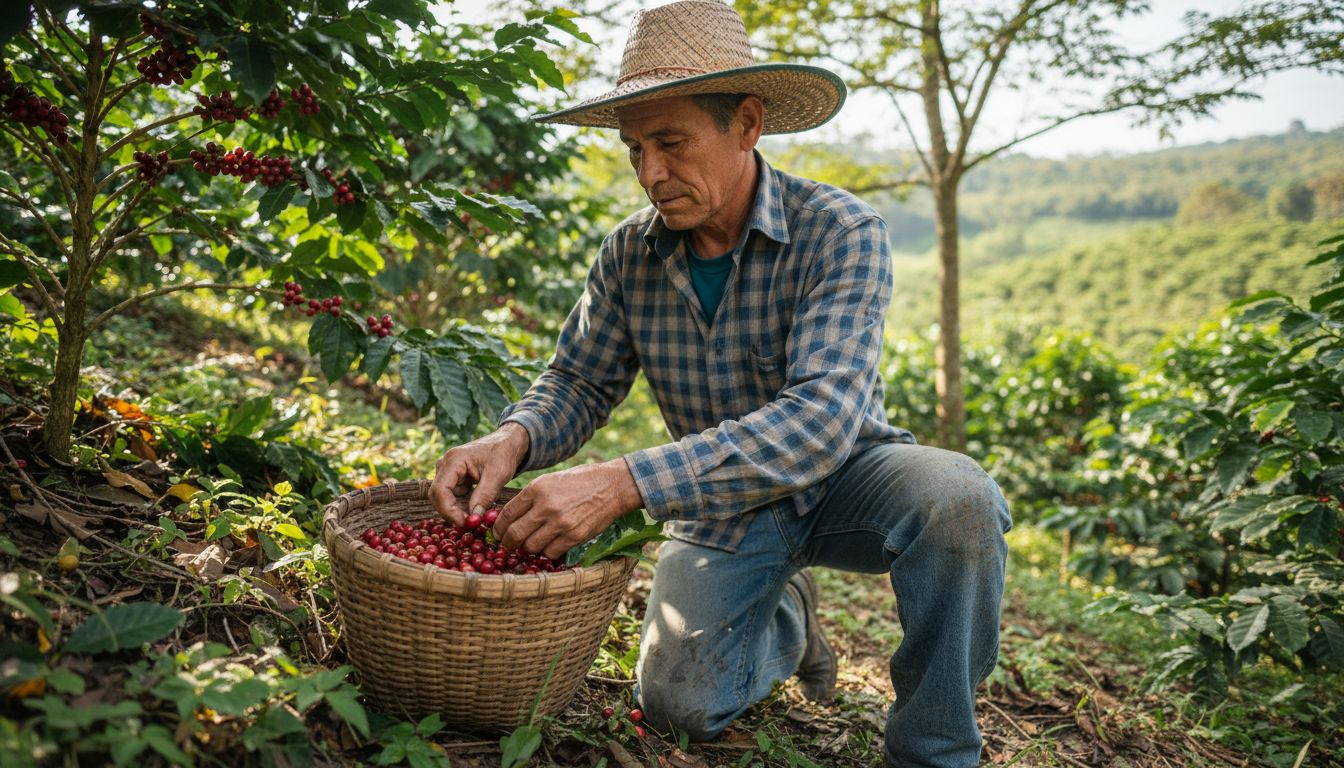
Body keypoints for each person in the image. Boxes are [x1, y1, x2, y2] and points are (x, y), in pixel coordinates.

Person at [428, 1, 1011, 765]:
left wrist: (625, 481)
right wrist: (515, 436)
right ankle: (789, 617)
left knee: (959, 499)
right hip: (721, 500)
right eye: (635, 149)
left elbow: (819, 421)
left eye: (670, 143)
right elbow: (579, 377)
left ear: (746, 122)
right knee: (679, 707)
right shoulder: (629, 256)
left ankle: (934, 749)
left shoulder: (839, 231)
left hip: (847, 478)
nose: (651, 173)